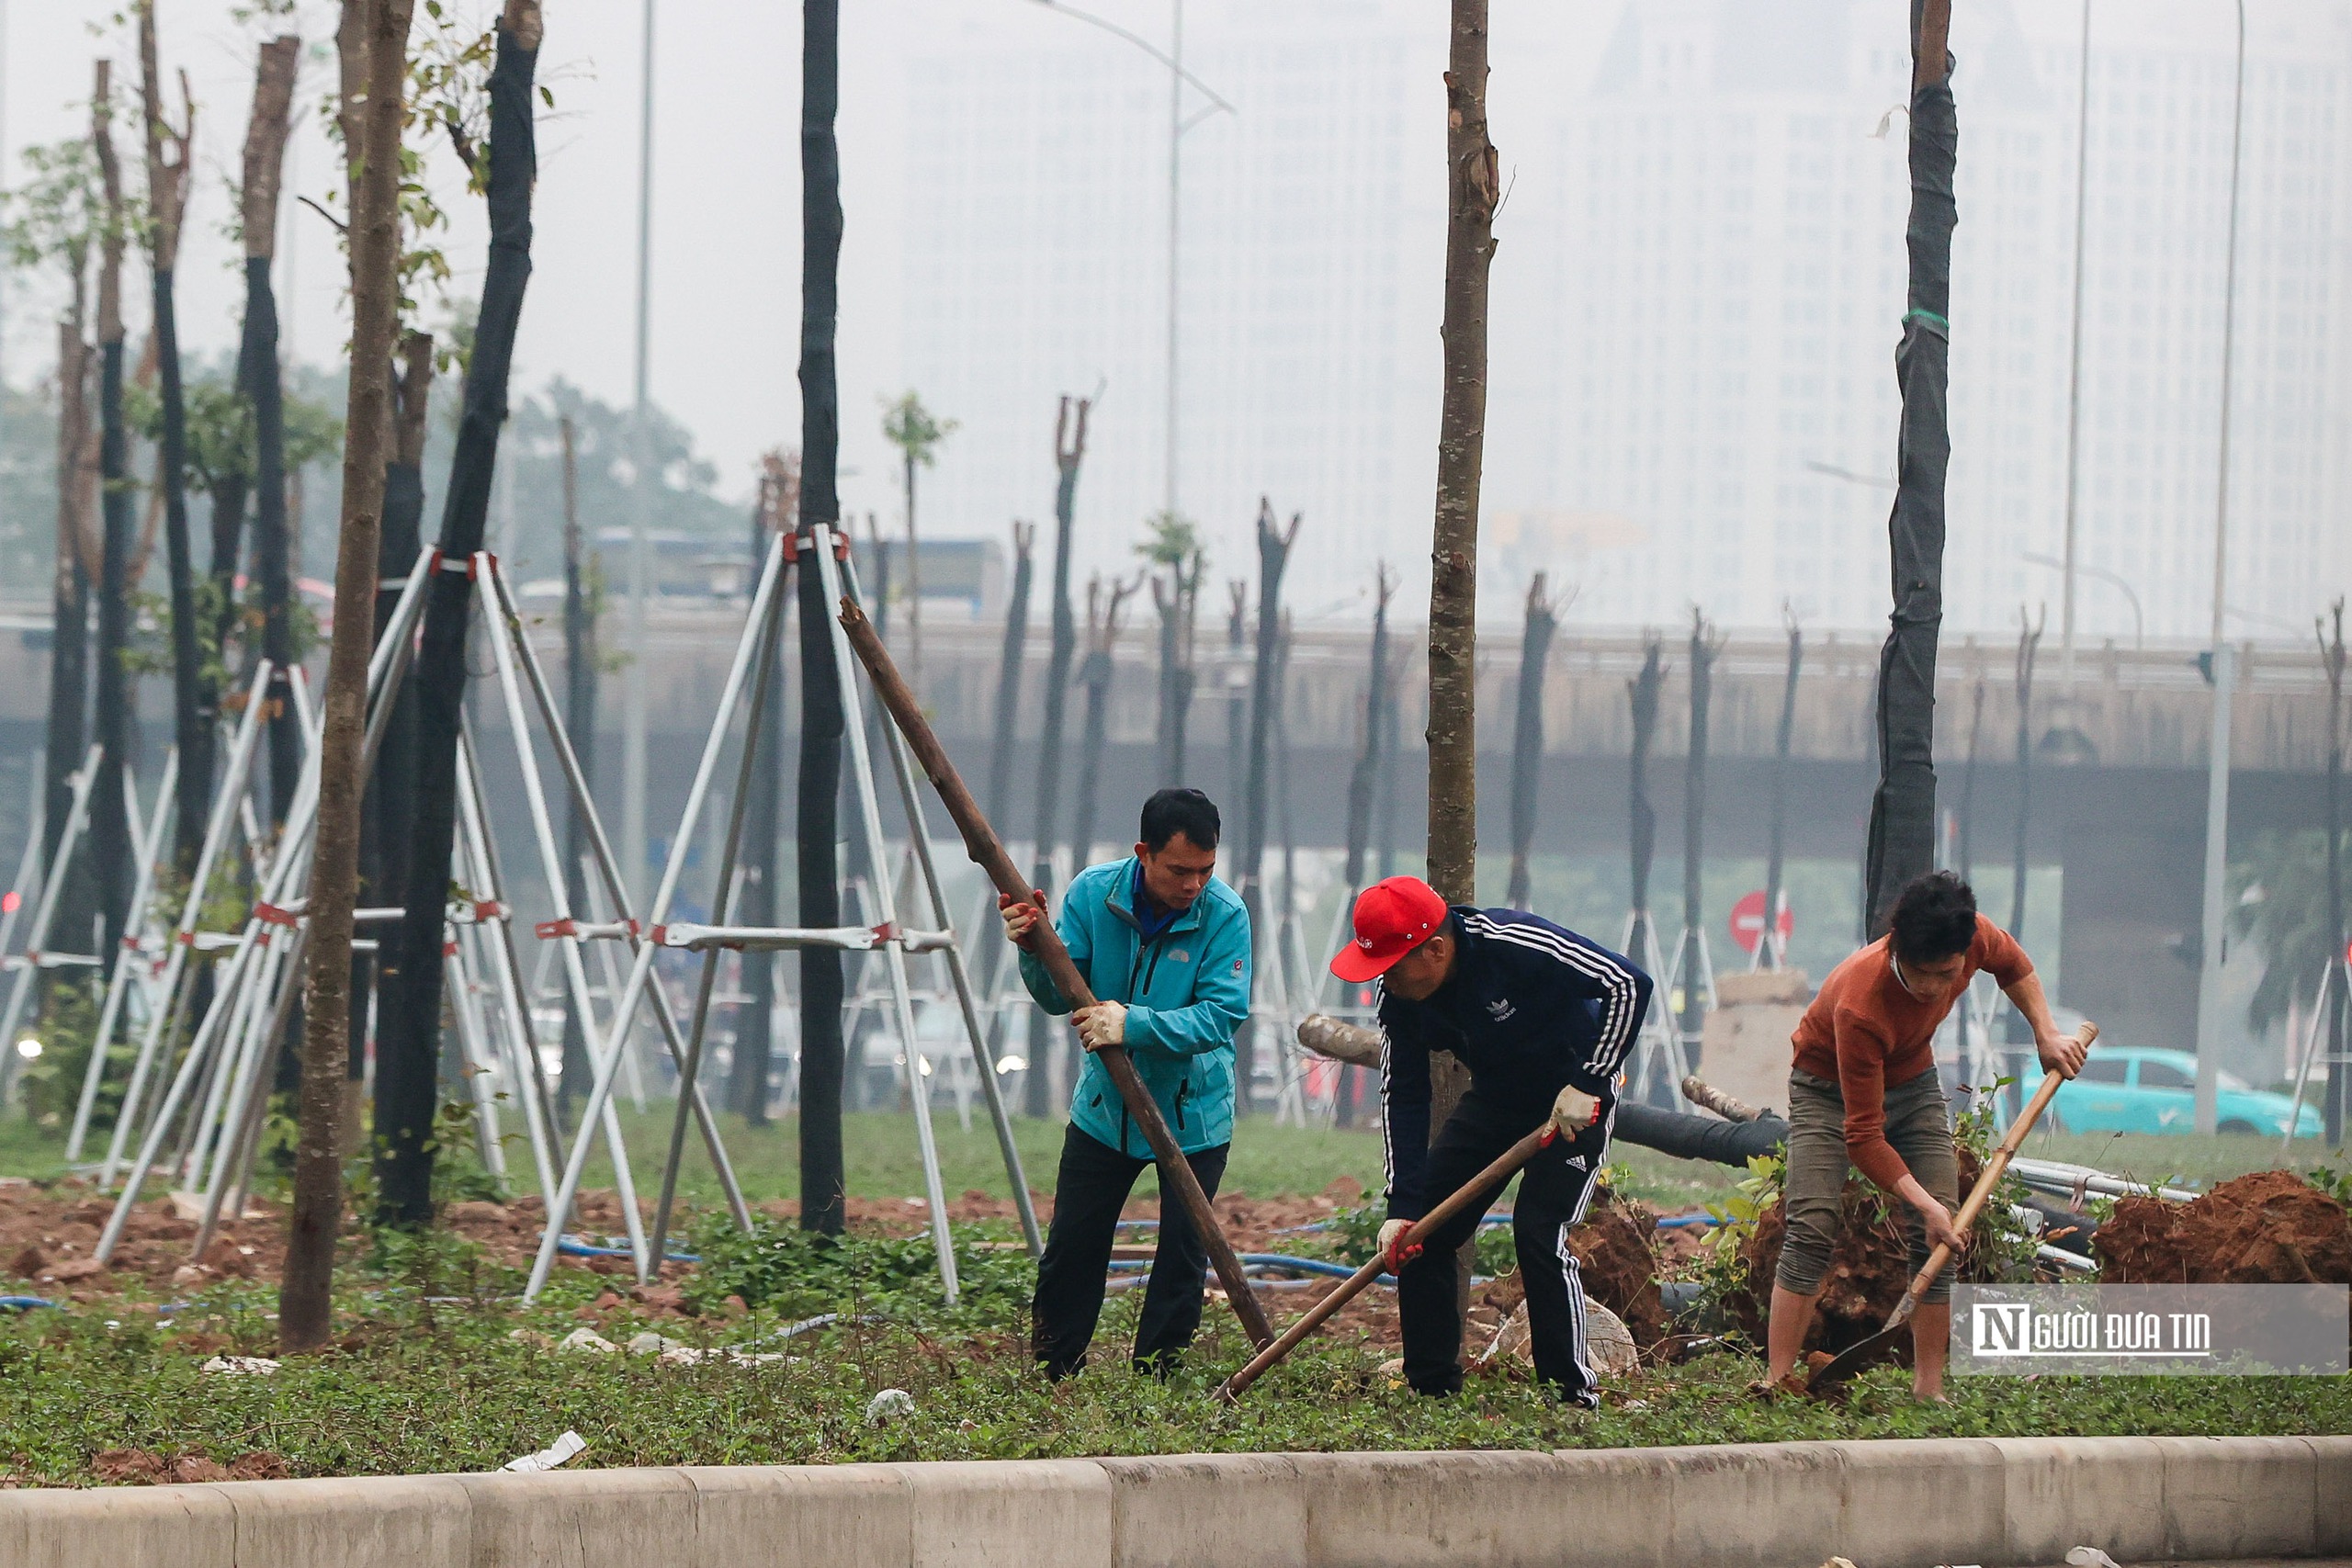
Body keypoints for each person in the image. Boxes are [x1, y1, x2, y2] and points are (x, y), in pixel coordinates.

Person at [1760, 870, 2087, 1402]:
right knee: (1812, 1225)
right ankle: (1776, 1383)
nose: (1936, 988)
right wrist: (1920, 1202)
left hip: (1911, 1077)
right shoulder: (1860, 1004)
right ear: (1897, 952)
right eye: (1923, 976)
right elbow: (1864, 1138)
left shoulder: (1972, 935)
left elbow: (2014, 965)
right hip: (1827, 1086)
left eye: (1949, 973)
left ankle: (1928, 1389)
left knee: (1941, 1232)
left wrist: (2045, 1033)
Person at [1333, 874, 1652, 1406]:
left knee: (1537, 1231)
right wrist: (1403, 1203)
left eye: (1389, 968)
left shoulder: (1514, 943)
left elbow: (1627, 984)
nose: (1381, 982)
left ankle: (1569, 1394)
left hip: (1573, 1100)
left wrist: (1592, 1079)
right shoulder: (1402, 1001)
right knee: (1421, 1232)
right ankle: (1432, 1392)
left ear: (1433, 949)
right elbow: (1402, 1094)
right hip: (1498, 1098)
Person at [999, 786, 1250, 1379]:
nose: (1193, 885)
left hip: (1194, 1115)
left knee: (1184, 1254)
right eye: (1179, 870)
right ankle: (1053, 1374)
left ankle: (1156, 1382)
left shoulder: (1224, 914)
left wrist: (1131, 1023)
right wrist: (1034, 948)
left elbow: (1221, 1015)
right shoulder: (1092, 893)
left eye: (1205, 870)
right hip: (1105, 1108)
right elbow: (1060, 994)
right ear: (1143, 852)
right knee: (1073, 1248)